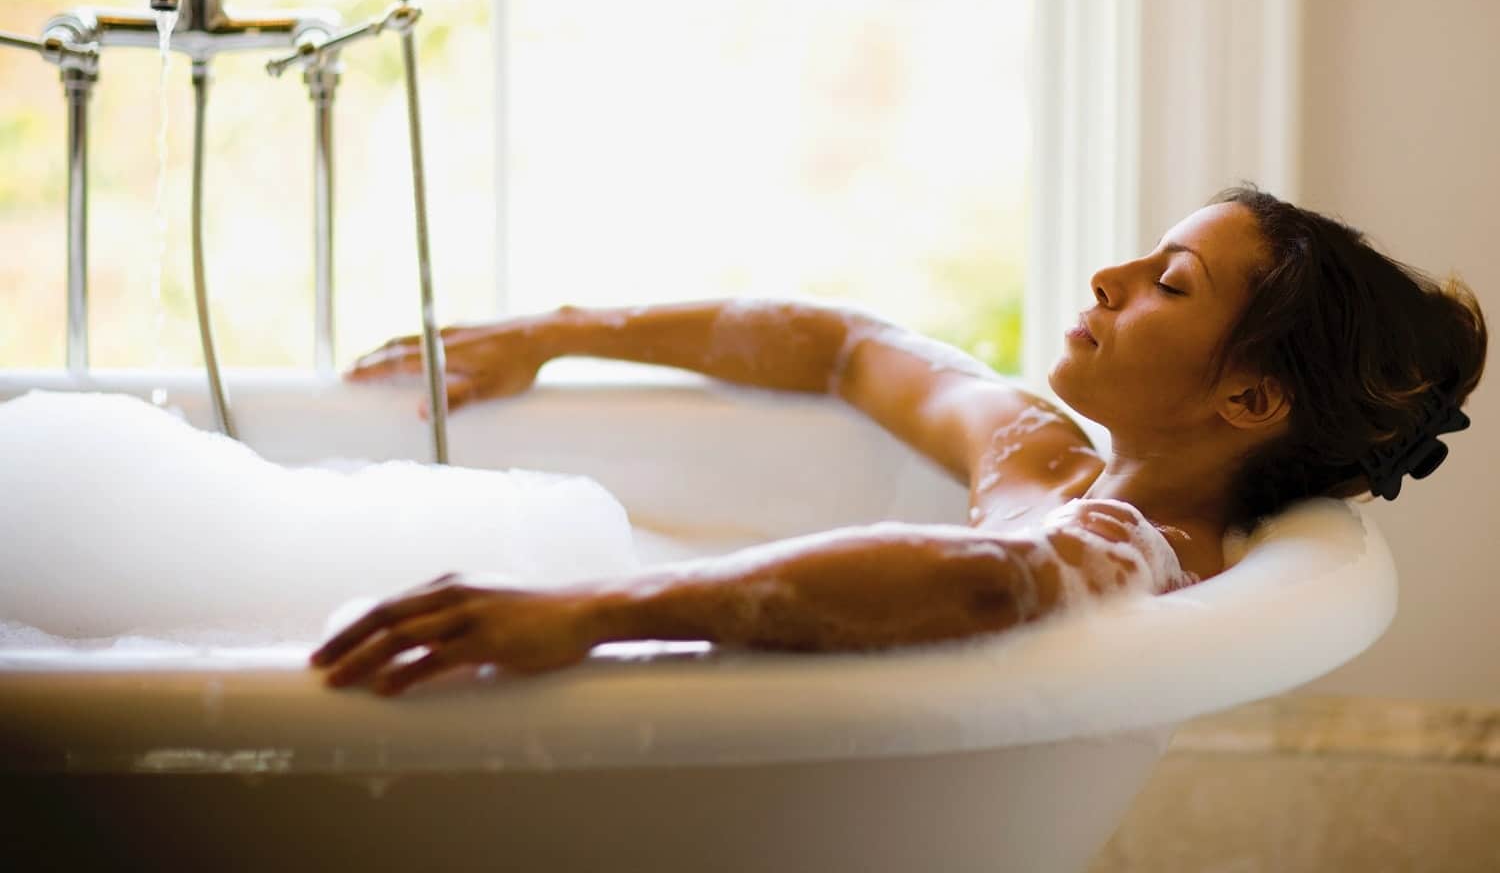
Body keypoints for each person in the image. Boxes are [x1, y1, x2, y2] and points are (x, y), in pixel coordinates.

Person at [310, 185, 1486, 695]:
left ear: (1251, 400)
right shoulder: (1051, 464)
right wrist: (554, 332)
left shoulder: (1148, 546)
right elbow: (847, 347)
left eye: (1168, 283)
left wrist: (595, 614)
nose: (1109, 276)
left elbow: (987, 585)